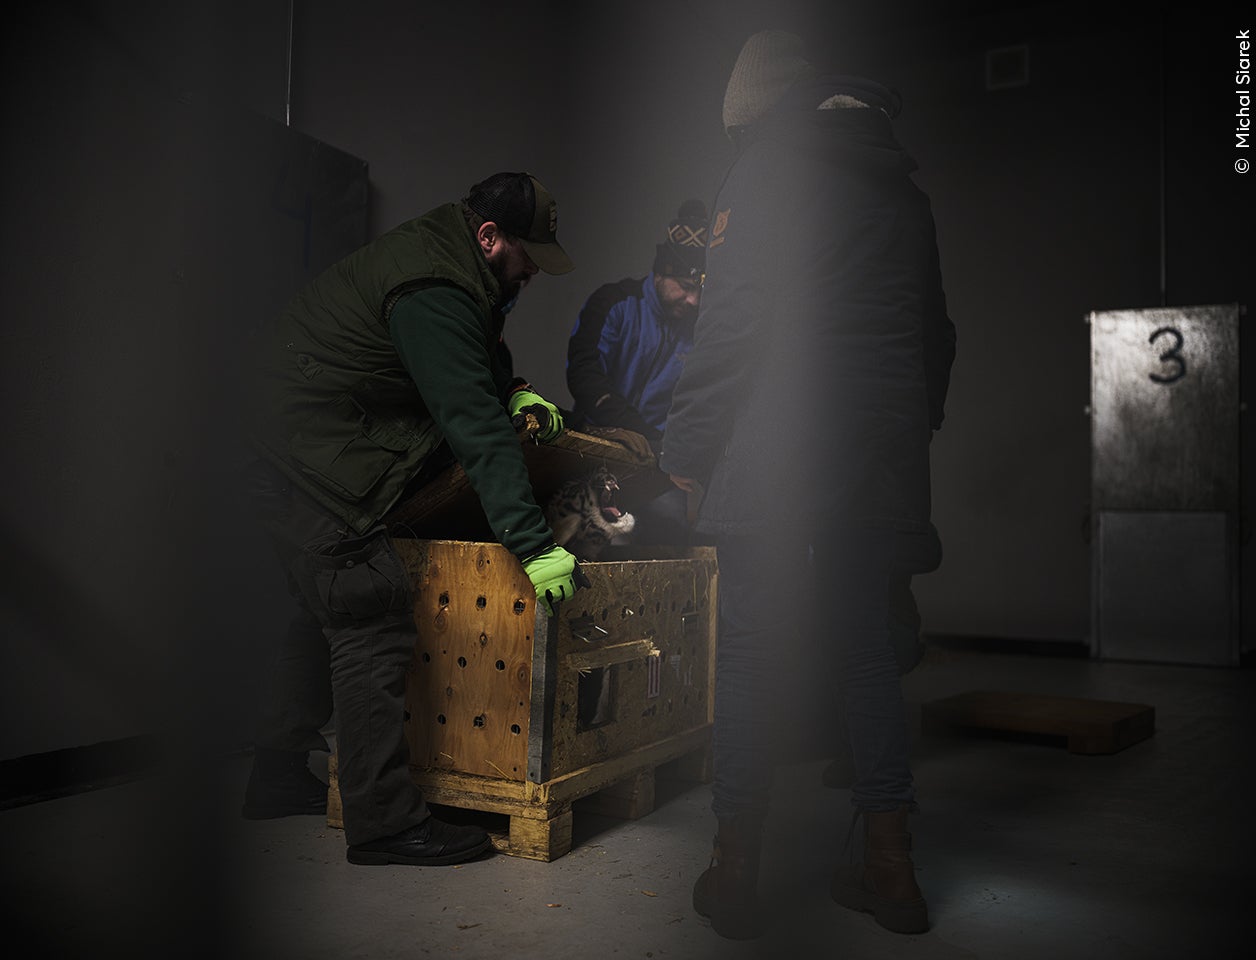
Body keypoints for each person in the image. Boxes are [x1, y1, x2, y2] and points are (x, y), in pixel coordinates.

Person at [659, 30, 956, 939]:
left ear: (760, 116)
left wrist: (685, 451)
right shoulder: (904, 193)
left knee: (749, 652)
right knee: (865, 648)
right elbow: (935, 338)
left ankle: (734, 870)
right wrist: (903, 432)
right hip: (875, 457)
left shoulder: (761, 175)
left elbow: (730, 330)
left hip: (775, 452)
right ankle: (891, 868)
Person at [239, 171, 589, 867]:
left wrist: (516, 392)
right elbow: (472, 426)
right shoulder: (434, 286)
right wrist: (534, 545)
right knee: (370, 608)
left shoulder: (450, 262)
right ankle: (384, 822)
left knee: (322, 607)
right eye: (527, 256)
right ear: (489, 237)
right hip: (301, 454)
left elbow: (474, 358)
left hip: (288, 443)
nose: (532, 272)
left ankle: (276, 775)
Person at [564, 199, 709, 546]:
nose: (693, 301)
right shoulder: (614, 302)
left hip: (658, 469)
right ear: (661, 273)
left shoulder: (700, 331)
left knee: (669, 544)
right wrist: (639, 434)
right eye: (685, 286)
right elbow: (584, 374)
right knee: (590, 547)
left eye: (699, 291)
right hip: (597, 455)